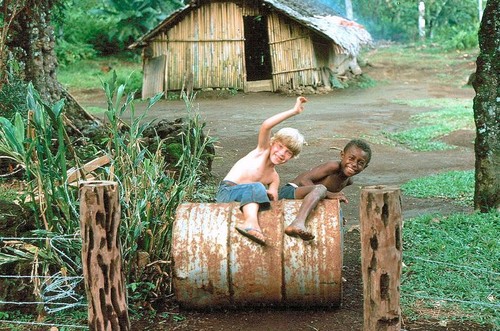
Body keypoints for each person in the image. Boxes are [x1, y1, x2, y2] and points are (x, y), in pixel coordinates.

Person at [216, 96, 307, 246]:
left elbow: (274, 200)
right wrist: (294, 111)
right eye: (280, 147)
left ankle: (254, 223)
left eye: (288, 152)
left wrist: (270, 195)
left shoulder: (274, 177)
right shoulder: (262, 150)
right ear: (272, 143)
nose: (282, 153)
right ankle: (250, 224)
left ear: (291, 157)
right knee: (257, 186)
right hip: (227, 192)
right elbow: (266, 126)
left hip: (244, 197)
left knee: (259, 190)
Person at [278, 139, 372, 241]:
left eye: (360, 163)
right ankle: (297, 223)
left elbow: (324, 197)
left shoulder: (349, 181)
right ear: (342, 155)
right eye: (351, 158)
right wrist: (329, 194)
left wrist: (336, 213)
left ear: (365, 167)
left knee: (322, 192)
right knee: (321, 189)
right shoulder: (333, 166)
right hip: (291, 190)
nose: (354, 164)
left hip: (306, 197)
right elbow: (304, 180)